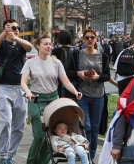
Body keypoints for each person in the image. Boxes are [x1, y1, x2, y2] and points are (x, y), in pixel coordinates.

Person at [21, 35, 82, 164]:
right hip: (36, 100)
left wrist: (76, 92)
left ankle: (45, 162)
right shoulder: (30, 62)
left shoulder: (56, 62)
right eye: (45, 44)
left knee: (49, 135)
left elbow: (66, 82)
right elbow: (23, 82)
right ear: (38, 46)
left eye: (50, 44)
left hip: (53, 100)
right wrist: (28, 92)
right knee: (39, 136)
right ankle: (32, 161)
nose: (49, 46)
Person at [0, 19, 32, 164]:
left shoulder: (20, 45)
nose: (16, 30)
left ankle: (10, 155)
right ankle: (2, 155)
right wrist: (4, 33)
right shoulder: (2, 44)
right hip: (4, 88)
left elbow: (30, 47)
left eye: (17, 28)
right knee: (5, 122)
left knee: (19, 126)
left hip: (20, 89)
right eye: (13, 28)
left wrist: (17, 38)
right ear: (7, 29)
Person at [67, 29, 110, 161]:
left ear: (96, 39)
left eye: (92, 37)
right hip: (82, 95)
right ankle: (85, 154)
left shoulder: (103, 56)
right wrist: (79, 74)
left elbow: (107, 76)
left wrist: (98, 77)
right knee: (87, 126)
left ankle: (91, 157)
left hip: (98, 96)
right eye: (87, 38)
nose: (90, 40)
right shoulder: (76, 54)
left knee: (95, 128)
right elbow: (68, 72)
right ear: (83, 40)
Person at [51, 29, 78, 98]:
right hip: (73, 80)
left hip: (59, 82)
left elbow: (52, 66)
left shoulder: (56, 51)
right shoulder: (76, 51)